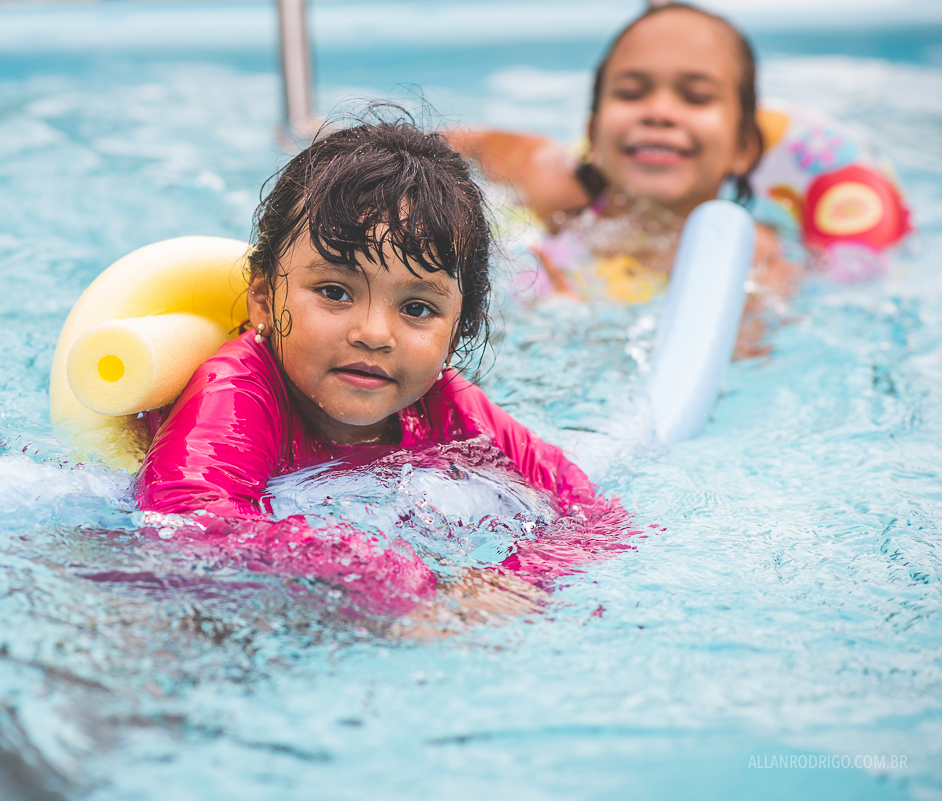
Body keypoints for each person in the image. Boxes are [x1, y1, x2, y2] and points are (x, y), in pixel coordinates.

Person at [135, 115, 631, 620]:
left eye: (417, 308)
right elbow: (186, 525)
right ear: (263, 299)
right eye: (334, 292)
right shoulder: (241, 390)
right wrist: (375, 572)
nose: (374, 333)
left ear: (457, 331)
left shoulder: (443, 401)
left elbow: (589, 510)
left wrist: (514, 578)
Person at [448, 3, 802, 357]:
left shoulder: (749, 255)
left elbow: (724, 364)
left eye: (696, 97)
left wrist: (571, 333)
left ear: (743, 146)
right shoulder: (557, 189)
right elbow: (464, 142)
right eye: (631, 93)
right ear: (593, 135)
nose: (659, 112)